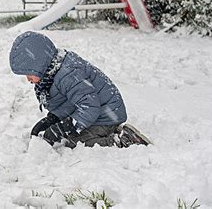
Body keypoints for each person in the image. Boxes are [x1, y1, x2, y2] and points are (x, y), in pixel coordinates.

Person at [9, 31, 150, 148]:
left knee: (75, 142)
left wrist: (64, 127)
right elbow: (69, 101)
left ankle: (122, 139)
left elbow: (89, 107)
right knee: (69, 136)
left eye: (29, 73)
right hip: (97, 113)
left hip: (105, 116)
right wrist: (53, 119)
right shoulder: (53, 72)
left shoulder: (68, 74)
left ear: (40, 64)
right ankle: (109, 132)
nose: (28, 79)